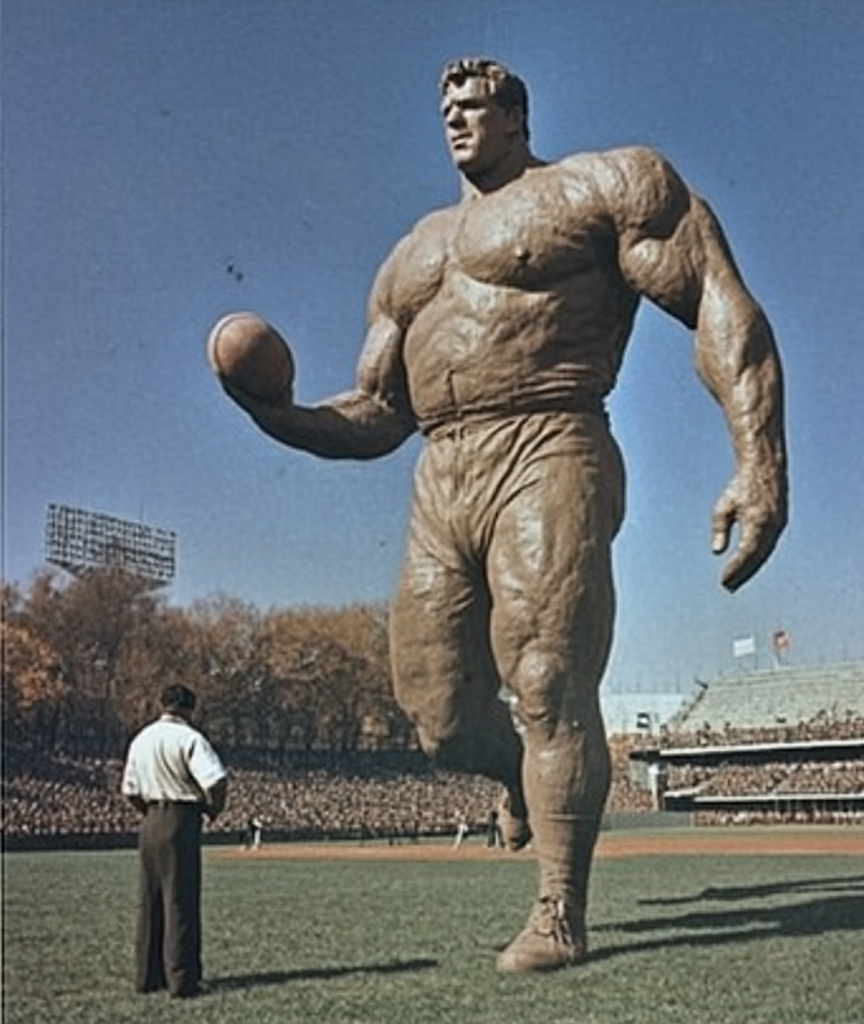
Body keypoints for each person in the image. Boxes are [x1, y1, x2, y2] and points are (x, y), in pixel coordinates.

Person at [217, 57, 787, 971]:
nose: (455, 120)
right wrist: (277, 414)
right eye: (445, 108)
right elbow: (378, 418)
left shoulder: (599, 186)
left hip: (550, 437)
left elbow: (720, 302)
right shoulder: (412, 256)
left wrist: (759, 463)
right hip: (440, 470)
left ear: (518, 114)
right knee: (438, 719)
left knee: (548, 676)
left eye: (474, 105)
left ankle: (559, 911)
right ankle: (512, 781)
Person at [121, 684, 227, 998]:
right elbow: (216, 779)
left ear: (161, 704)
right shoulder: (190, 738)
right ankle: (182, 980)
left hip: (150, 818)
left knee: (150, 899)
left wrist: (148, 811)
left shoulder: (142, 738)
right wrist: (213, 809)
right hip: (181, 819)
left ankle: (148, 976)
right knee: (180, 899)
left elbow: (129, 789)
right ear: (189, 709)